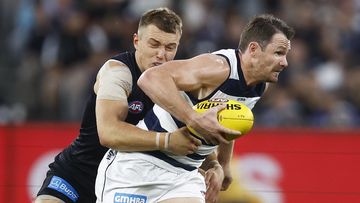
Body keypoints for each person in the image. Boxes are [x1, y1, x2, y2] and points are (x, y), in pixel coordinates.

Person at [36, 7, 229, 203]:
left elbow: (196, 130)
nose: (161, 54)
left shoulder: (180, 81)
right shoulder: (118, 72)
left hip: (129, 184)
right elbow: (108, 133)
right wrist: (168, 141)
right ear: (137, 41)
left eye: (170, 47)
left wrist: (215, 164)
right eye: (154, 44)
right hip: (78, 176)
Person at [95, 14, 295, 203]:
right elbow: (150, 78)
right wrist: (192, 117)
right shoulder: (217, 67)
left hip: (183, 175)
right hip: (136, 167)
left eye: (285, 55)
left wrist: (221, 164)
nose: (284, 62)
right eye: (278, 53)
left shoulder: (260, 84)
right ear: (253, 49)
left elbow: (228, 117)